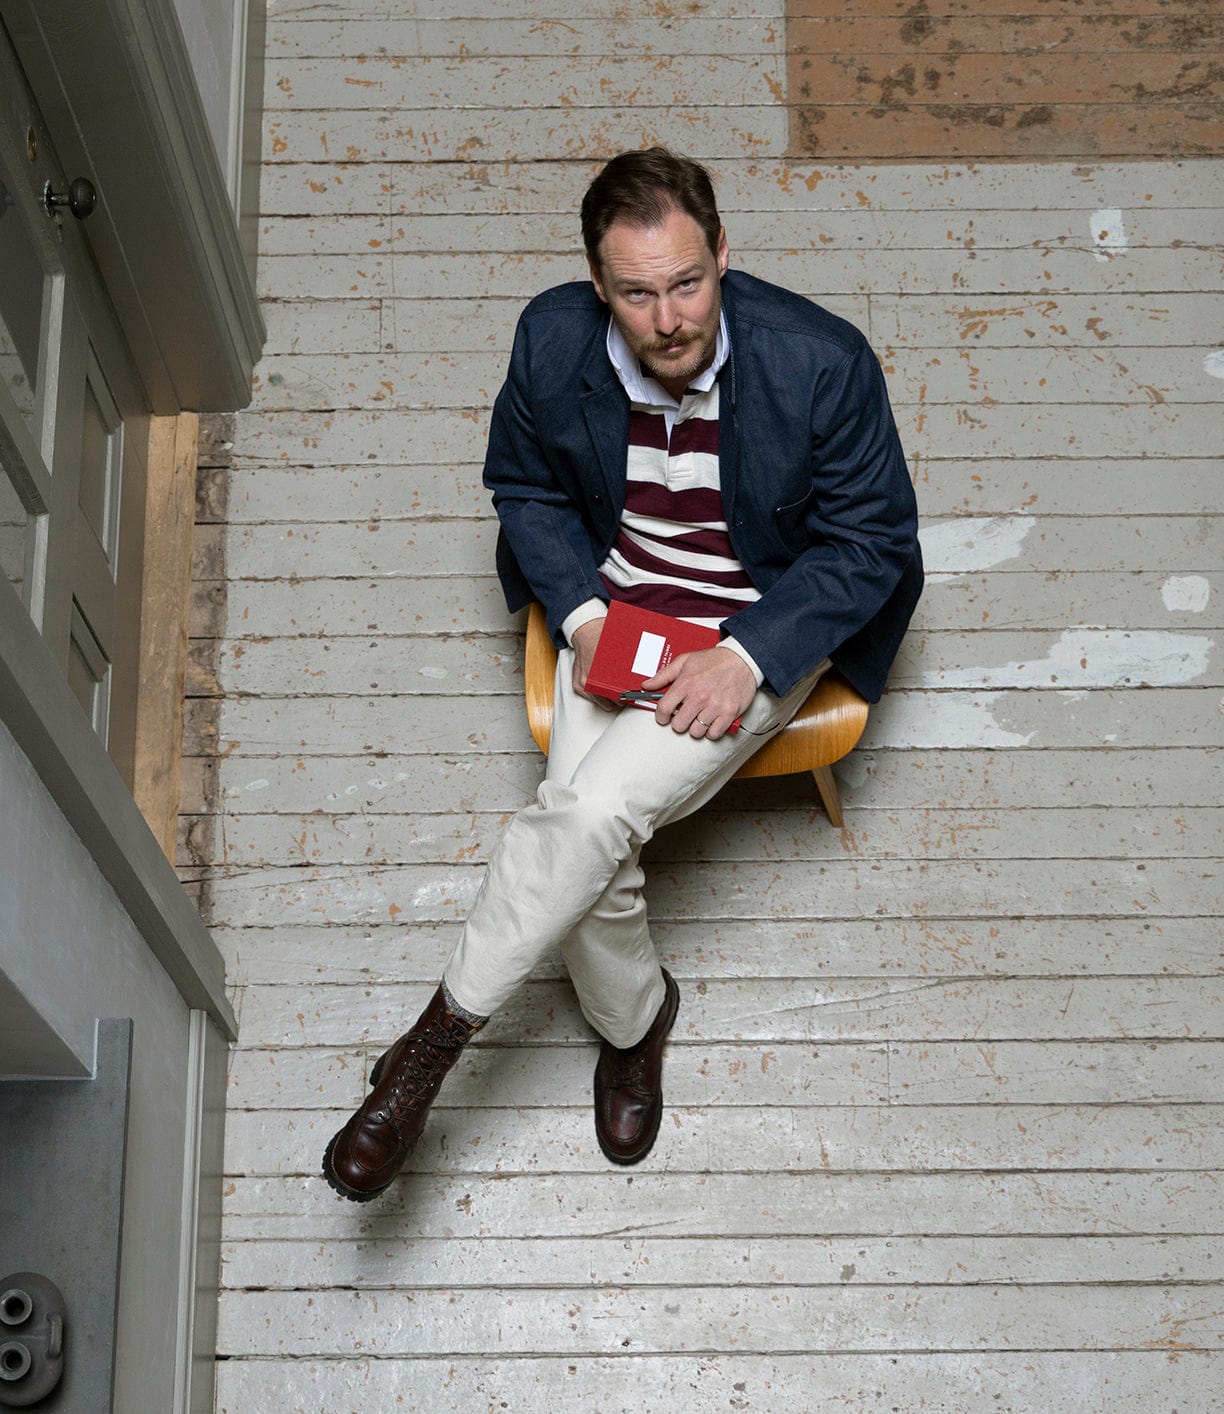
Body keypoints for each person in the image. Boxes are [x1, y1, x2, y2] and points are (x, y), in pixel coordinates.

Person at [323, 147, 923, 1202]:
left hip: (751, 620)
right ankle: (636, 1021)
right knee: (594, 838)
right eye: (637, 293)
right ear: (599, 285)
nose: (669, 318)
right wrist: (590, 615)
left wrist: (748, 658)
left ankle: (431, 1044)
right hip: (619, 610)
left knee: (588, 804)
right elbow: (521, 485)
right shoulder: (553, 340)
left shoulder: (821, 361)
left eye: (688, 282)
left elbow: (870, 544)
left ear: (724, 255)